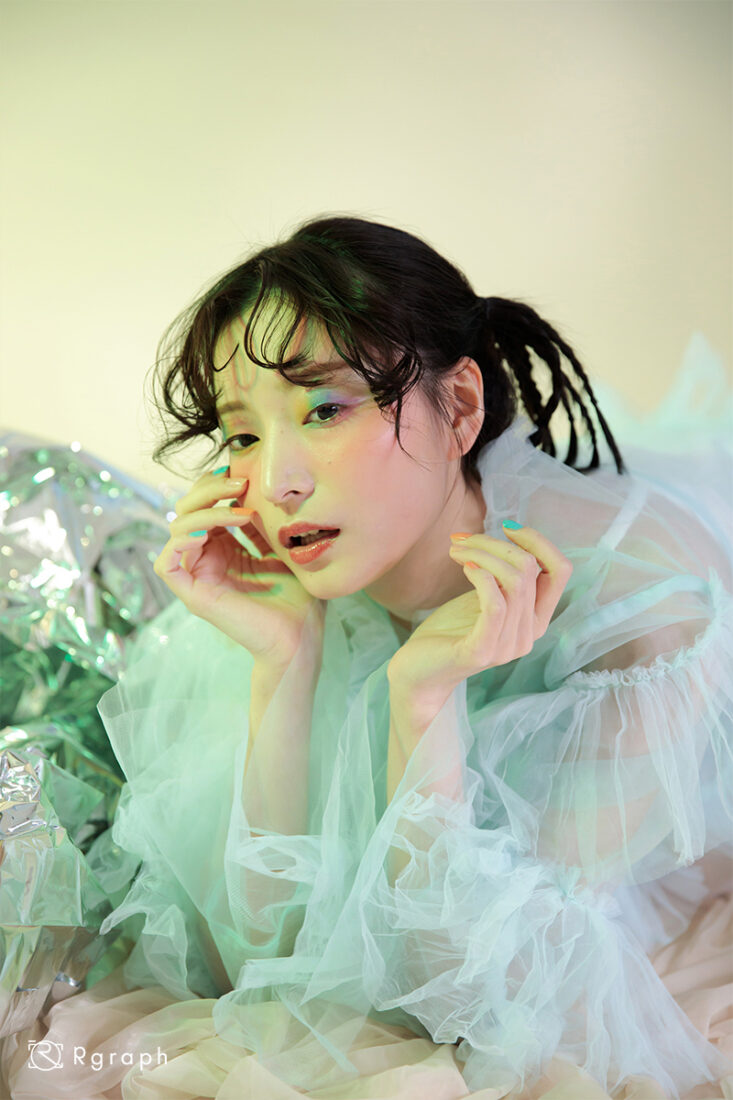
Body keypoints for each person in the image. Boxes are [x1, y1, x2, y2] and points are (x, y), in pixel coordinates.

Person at [3, 214, 732, 1099]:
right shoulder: (303, 562)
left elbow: (478, 999)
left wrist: (423, 704)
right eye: (243, 435)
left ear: (459, 407)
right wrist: (284, 662)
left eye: (324, 410)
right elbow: (251, 961)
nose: (278, 484)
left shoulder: (642, 612)